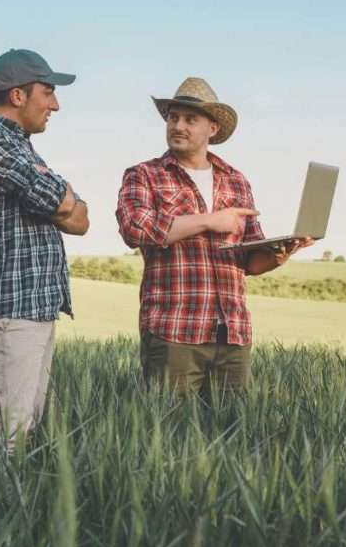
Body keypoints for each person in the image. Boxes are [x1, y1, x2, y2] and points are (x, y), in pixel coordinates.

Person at [115, 77, 312, 394]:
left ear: (213, 128)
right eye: (173, 118)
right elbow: (134, 227)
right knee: (168, 436)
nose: (178, 126)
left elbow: (249, 262)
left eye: (190, 119)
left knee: (232, 435)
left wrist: (280, 253)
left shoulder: (236, 181)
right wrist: (209, 221)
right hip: (173, 331)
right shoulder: (144, 174)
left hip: (232, 333)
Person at [0, 49, 89, 450]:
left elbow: (80, 219)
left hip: (30, 309)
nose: (56, 104)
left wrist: (60, 198)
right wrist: (59, 196)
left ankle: (5, 511)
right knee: (5, 441)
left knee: (20, 434)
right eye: (47, 92)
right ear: (18, 96)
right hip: (8, 312)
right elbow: (65, 204)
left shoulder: (20, 146)